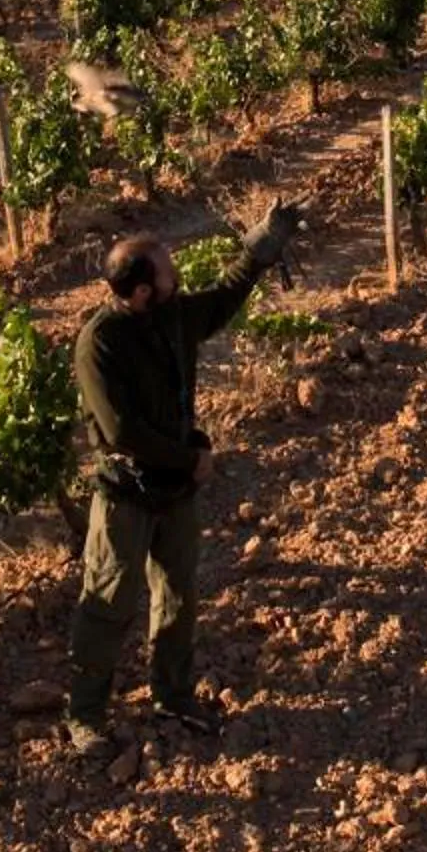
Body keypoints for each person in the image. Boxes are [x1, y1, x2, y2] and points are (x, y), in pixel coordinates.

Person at [64, 201, 304, 750]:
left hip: (173, 489)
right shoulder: (100, 344)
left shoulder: (170, 315)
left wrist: (260, 250)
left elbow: (221, 301)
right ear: (143, 290)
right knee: (107, 602)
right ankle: (86, 716)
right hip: (126, 492)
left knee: (177, 595)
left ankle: (172, 696)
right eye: (168, 270)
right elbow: (121, 431)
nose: (177, 274)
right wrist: (190, 459)